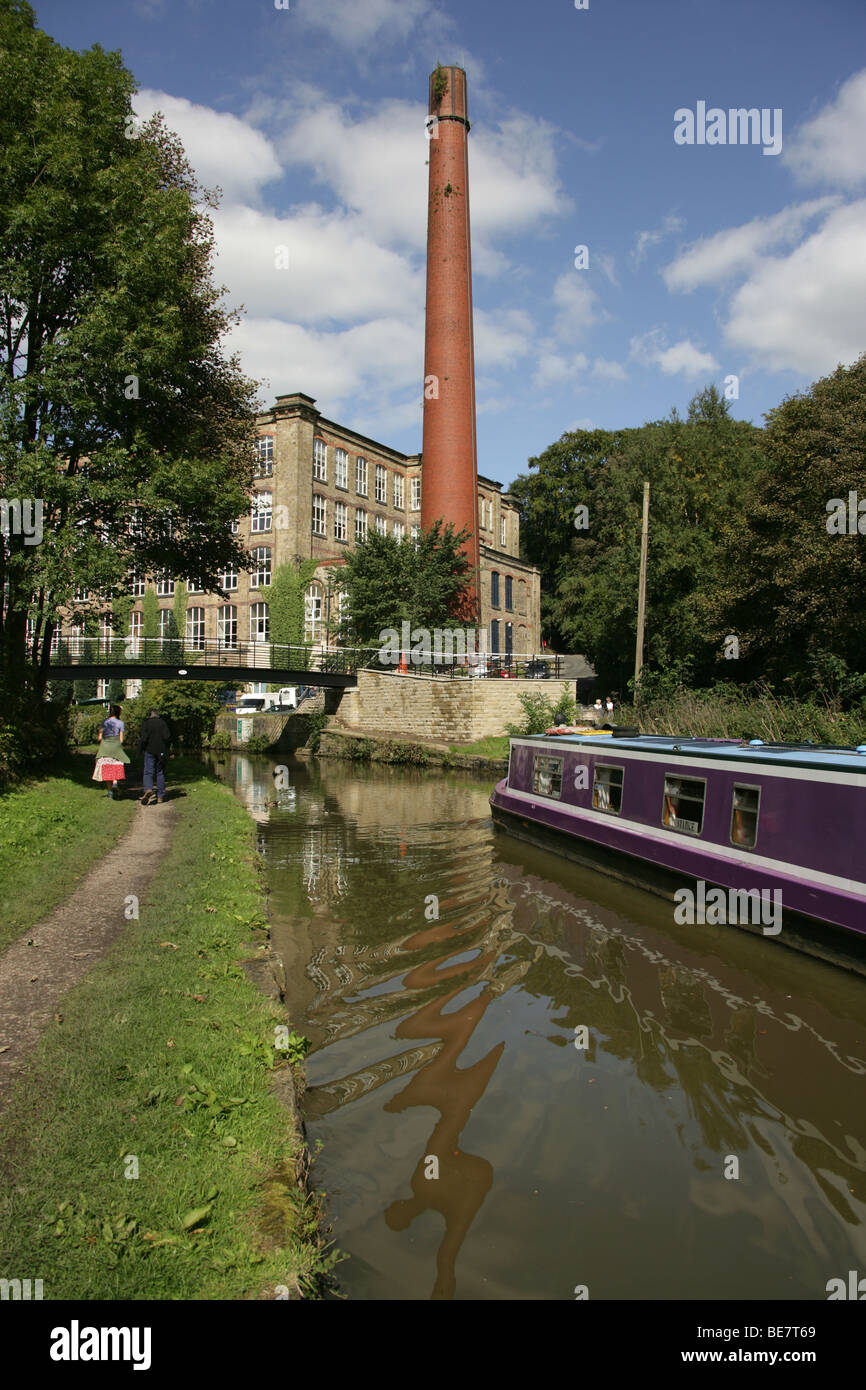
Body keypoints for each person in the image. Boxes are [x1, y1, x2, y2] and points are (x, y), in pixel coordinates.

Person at [93, 703, 131, 799]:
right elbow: (121, 739)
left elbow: (99, 737)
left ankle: (110, 791)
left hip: (105, 746)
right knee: (116, 766)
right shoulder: (120, 723)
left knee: (106, 767)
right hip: (116, 746)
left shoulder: (105, 722)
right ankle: (115, 783)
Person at [138, 707, 172, 805]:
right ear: (158, 715)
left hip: (150, 750)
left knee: (148, 771)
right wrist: (167, 749)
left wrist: (141, 749)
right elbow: (167, 737)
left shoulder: (146, 723)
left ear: (150, 715)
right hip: (161, 751)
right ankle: (160, 796)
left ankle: (148, 789)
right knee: (160, 772)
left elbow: (143, 738)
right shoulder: (163, 723)